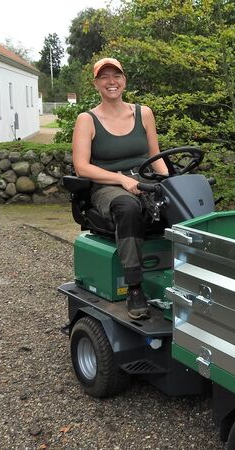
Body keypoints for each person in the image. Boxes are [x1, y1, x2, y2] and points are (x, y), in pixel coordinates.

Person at [71, 57, 168, 320]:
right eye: (104, 77)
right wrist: (121, 179)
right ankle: (134, 286)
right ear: (96, 84)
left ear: (124, 81)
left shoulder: (144, 113)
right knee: (128, 207)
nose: (111, 82)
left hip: (144, 179)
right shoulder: (87, 119)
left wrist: (170, 183)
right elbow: (82, 167)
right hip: (106, 187)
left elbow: (155, 156)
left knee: (182, 201)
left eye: (116, 76)